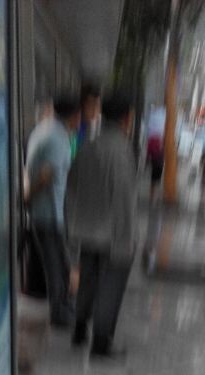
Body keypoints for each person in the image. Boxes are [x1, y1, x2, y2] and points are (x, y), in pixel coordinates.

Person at [65, 93, 137, 360]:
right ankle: (101, 342)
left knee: (88, 281)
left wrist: (73, 225)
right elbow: (123, 197)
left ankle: (79, 329)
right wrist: (126, 239)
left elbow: (72, 187)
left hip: (85, 228)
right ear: (127, 118)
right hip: (112, 233)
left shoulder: (87, 145)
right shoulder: (121, 151)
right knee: (110, 286)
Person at [27, 95, 81, 328]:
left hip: (43, 211)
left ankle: (52, 305)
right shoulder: (58, 137)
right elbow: (46, 175)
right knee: (56, 266)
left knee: (49, 263)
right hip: (50, 212)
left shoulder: (43, 129)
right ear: (75, 115)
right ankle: (59, 313)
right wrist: (27, 196)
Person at [77, 82, 102, 152]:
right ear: (82, 106)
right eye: (91, 106)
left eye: (97, 106)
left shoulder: (101, 126)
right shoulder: (76, 127)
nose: (94, 111)